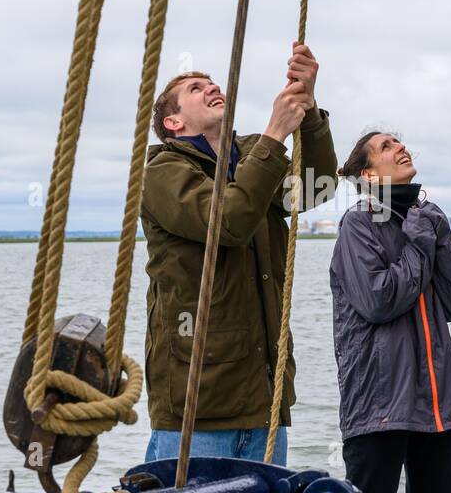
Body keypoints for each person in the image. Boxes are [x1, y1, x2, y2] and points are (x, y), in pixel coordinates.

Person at [140, 43, 337, 464]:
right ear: (173, 121)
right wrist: (275, 135)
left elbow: (316, 188)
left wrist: (310, 111)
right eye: (196, 87)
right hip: (199, 405)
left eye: (213, 83)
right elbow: (227, 221)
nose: (212, 87)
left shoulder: (252, 156)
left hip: (264, 400)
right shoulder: (162, 172)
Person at [329, 131, 451, 493]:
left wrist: (439, 238)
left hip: (435, 405)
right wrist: (415, 245)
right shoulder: (358, 226)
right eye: (387, 145)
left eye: (400, 141)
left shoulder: (426, 222)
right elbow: (380, 300)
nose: (401, 147)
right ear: (369, 174)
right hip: (379, 406)